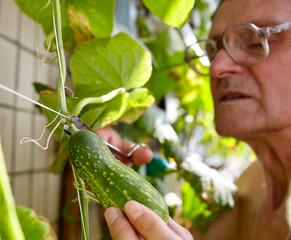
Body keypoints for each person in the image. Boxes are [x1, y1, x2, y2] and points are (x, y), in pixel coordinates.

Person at [96, 0, 291, 239]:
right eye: (213, 50)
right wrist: (114, 175)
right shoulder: (252, 183)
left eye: (254, 42)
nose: (216, 66)